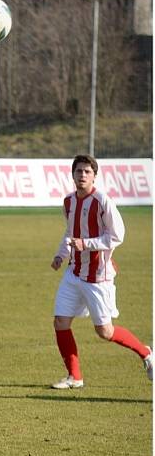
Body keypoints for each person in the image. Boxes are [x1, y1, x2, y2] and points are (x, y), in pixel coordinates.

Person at [49, 154, 152, 389]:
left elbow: (117, 236)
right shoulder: (68, 201)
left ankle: (146, 353)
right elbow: (70, 232)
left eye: (87, 171)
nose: (82, 175)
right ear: (72, 174)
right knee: (60, 322)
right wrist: (60, 255)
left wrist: (87, 244)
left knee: (104, 331)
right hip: (73, 272)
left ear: (95, 175)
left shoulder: (103, 200)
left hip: (98, 276)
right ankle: (75, 377)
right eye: (79, 171)